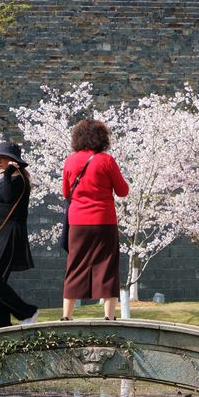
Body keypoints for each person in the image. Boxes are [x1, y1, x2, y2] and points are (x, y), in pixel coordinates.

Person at [60, 119, 129, 321]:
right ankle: (109, 316)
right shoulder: (106, 161)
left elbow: (65, 192)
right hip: (103, 221)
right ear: (102, 138)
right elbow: (123, 191)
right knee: (107, 265)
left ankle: (67, 315)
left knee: (75, 265)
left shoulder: (70, 161)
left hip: (77, 222)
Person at [0, 141, 38, 329]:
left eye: (1, 158)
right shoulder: (6, 181)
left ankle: (27, 311)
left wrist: (9, 174)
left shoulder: (19, 179)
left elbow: (11, 197)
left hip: (12, 233)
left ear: (12, 160)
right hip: (0, 235)